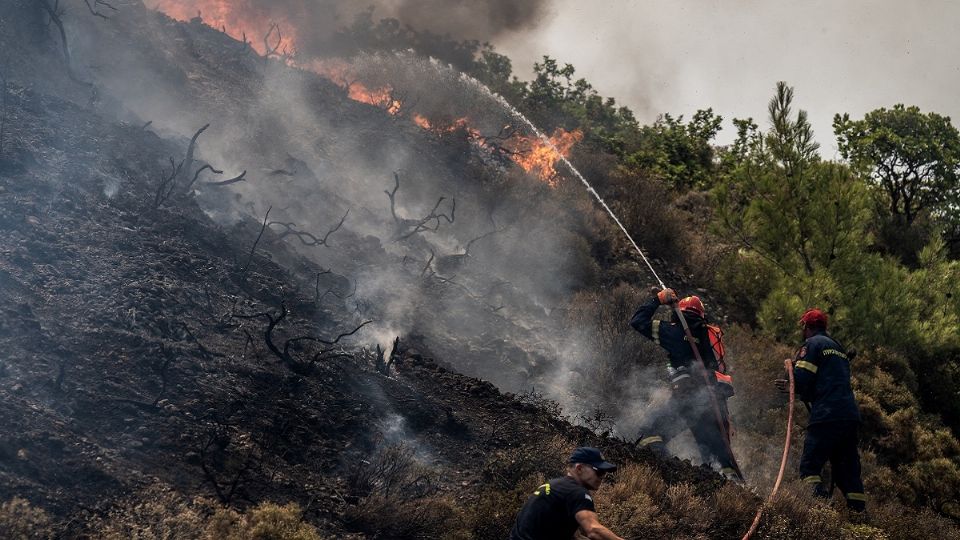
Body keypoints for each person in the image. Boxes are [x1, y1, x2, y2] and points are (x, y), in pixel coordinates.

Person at [630, 287, 741, 481]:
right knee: (719, 459)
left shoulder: (675, 332)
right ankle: (733, 496)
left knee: (650, 434)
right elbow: (718, 375)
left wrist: (657, 299)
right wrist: (726, 419)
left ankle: (669, 474)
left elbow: (637, 321)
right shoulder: (709, 337)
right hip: (716, 406)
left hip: (688, 398)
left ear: (678, 313)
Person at [776, 308, 866, 512]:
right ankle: (860, 515)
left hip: (826, 415)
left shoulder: (812, 345)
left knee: (809, 468)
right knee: (848, 471)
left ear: (806, 327)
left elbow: (802, 379)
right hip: (849, 417)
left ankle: (821, 510)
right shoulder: (838, 348)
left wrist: (791, 384)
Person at [510, 447, 624, 540]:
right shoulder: (577, 492)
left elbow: (573, 535)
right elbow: (593, 530)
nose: (602, 477)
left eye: (604, 473)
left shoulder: (555, 485)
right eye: (599, 472)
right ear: (579, 468)